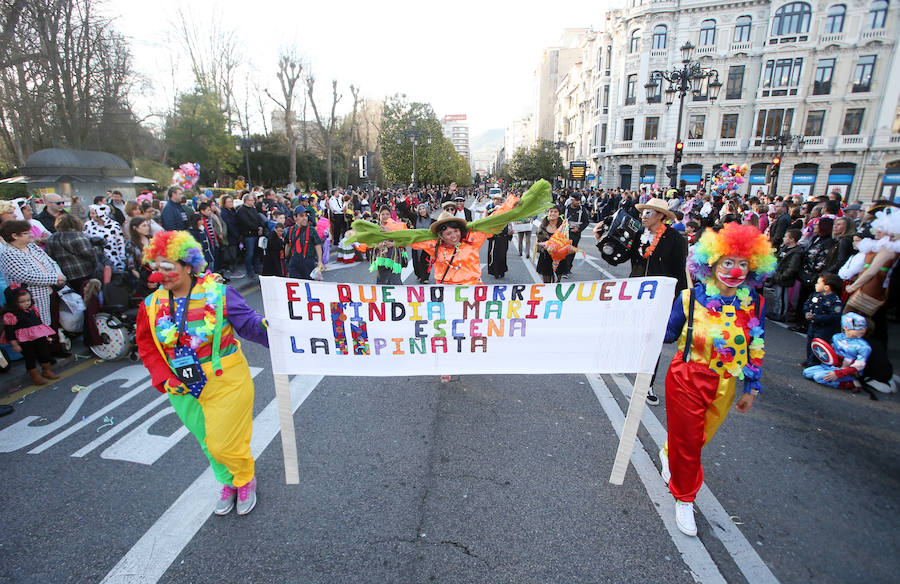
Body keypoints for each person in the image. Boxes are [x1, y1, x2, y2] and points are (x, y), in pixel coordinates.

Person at [135, 231, 269, 516]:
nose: (161, 275)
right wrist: (166, 378)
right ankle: (226, 481)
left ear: (187, 265)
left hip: (226, 380)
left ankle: (245, 478)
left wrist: (280, 331)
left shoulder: (219, 294)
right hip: (181, 386)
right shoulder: (151, 305)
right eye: (157, 268)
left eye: (168, 267)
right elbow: (146, 345)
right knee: (208, 443)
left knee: (224, 443)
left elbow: (250, 326)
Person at [658, 223, 775, 537]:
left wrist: (752, 385)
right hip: (687, 378)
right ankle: (684, 498)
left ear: (752, 268)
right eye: (728, 263)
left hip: (726, 382)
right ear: (712, 264)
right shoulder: (690, 299)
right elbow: (666, 335)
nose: (735, 271)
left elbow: (755, 344)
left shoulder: (755, 304)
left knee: (696, 440)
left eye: (742, 265)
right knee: (690, 446)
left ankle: (670, 452)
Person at [0, 220, 66, 356]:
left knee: (53, 322)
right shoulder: (8, 253)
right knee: (37, 328)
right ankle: (44, 357)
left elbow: (50, 261)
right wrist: (54, 278)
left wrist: (59, 275)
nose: (30, 234)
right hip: (31, 297)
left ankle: (55, 350)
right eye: (25, 233)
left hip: (50, 290)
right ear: (14, 236)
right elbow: (24, 275)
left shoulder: (32, 246)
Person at [2, 285, 59, 384]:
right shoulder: (11, 315)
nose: (26, 303)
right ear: (13, 303)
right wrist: (14, 344)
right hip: (24, 340)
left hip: (39, 336)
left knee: (44, 353)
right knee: (30, 357)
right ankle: (35, 376)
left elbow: (39, 322)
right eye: (22, 302)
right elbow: (9, 332)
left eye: (28, 300)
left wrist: (45, 334)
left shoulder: (32, 309)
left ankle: (46, 371)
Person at [803, 312, 871, 390]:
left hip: (848, 372)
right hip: (831, 367)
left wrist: (838, 374)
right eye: (858, 327)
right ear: (846, 327)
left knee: (818, 377)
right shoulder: (837, 337)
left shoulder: (863, 346)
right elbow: (829, 353)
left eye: (864, 327)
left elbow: (859, 366)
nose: (862, 330)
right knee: (807, 372)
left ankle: (849, 383)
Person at [799, 272, 844, 367]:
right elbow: (807, 304)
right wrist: (806, 312)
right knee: (810, 342)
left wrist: (816, 318)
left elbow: (833, 316)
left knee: (819, 344)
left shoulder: (835, 301)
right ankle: (809, 359)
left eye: (818, 283)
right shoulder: (815, 295)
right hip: (813, 325)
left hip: (824, 328)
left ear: (827, 287)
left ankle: (814, 362)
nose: (816, 284)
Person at [45, 214, 97, 296]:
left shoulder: (52, 238)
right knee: (89, 297)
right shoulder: (78, 236)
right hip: (84, 272)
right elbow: (89, 254)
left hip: (65, 275)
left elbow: (49, 258)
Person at [769, 228, 803, 322]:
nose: (784, 238)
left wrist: (781, 277)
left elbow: (792, 268)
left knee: (782, 298)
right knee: (777, 297)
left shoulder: (796, 252)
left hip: (784, 279)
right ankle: (776, 311)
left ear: (792, 239)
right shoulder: (785, 248)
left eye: (786, 237)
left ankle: (781, 314)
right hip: (778, 276)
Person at [83, 204, 127, 272]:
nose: (91, 215)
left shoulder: (114, 225)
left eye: (93, 213)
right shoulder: (88, 225)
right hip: (97, 259)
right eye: (90, 213)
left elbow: (120, 242)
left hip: (114, 258)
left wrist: (122, 256)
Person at [371, 206, 408, 285]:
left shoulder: (396, 226)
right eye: (383, 214)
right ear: (379, 216)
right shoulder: (374, 228)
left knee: (395, 280)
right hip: (381, 258)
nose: (385, 216)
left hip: (395, 258)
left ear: (390, 216)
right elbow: (369, 242)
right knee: (382, 281)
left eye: (387, 214)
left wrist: (393, 243)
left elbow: (403, 241)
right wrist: (377, 245)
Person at [285, 208, 324, 280]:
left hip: (308, 261)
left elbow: (318, 245)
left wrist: (319, 261)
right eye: (301, 216)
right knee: (295, 284)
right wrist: (286, 257)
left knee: (309, 285)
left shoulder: (311, 230)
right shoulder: (289, 230)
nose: (305, 218)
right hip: (294, 262)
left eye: (306, 216)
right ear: (295, 217)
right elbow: (288, 245)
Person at [124, 217, 156, 298]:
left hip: (157, 274)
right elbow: (132, 267)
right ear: (135, 228)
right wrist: (145, 282)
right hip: (143, 278)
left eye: (147, 225)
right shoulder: (131, 244)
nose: (147, 228)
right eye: (144, 226)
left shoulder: (152, 239)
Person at [236, 193, 267, 278]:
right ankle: (249, 272)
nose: (253, 201)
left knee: (256, 253)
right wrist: (257, 228)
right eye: (251, 200)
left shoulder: (253, 209)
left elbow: (257, 219)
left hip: (256, 234)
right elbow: (246, 222)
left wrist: (260, 227)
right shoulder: (241, 210)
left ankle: (257, 269)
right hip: (248, 235)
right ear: (246, 201)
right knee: (249, 254)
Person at [535, 206, 566, 283]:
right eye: (551, 211)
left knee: (556, 282)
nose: (553, 213)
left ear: (559, 214)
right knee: (546, 283)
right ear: (547, 213)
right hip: (546, 257)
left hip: (559, 257)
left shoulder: (563, 226)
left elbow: (567, 241)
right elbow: (538, 242)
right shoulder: (542, 226)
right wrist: (544, 246)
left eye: (555, 212)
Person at [485, 193, 512, 279]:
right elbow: (485, 219)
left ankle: (502, 270)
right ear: (493, 200)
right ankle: (495, 272)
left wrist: (510, 229)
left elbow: (509, 219)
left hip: (503, 235)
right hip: (494, 235)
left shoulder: (505, 208)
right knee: (493, 254)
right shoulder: (489, 208)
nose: (498, 201)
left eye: (500, 199)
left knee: (502, 254)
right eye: (496, 199)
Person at [411, 204, 433, 283]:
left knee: (425, 261)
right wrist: (404, 201)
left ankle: (425, 277)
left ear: (427, 209)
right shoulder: (415, 219)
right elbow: (406, 212)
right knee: (416, 261)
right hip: (416, 244)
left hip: (426, 245)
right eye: (420, 209)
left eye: (423, 208)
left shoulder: (432, 221)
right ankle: (419, 275)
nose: (422, 211)